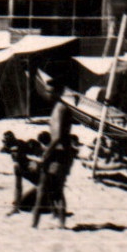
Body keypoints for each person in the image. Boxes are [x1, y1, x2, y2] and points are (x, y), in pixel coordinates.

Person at [32, 76, 75, 229]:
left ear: (59, 92)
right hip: (60, 152)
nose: (49, 94)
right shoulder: (59, 107)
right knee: (50, 189)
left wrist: (45, 154)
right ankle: (44, 224)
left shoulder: (60, 109)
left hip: (59, 154)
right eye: (47, 91)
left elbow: (56, 138)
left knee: (53, 189)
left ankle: (57, 224)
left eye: (52, 91)